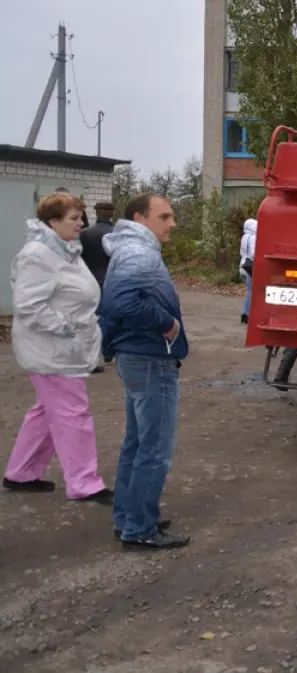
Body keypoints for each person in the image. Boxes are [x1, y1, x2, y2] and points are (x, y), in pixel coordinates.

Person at [4, 192, 113, 504]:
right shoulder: (38, 254)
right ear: (52, 221)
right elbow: (28, 306)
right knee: (72, 414)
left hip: (62, 349)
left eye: (81, 217)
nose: (81, 223)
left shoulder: (65, 250)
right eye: (73, 218)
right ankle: (84, 482)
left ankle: (21, 472)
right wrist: (67, 328)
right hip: (51, 351)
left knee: (45, 412)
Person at [100, 193, 190, 550]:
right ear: (140, 218)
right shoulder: (140, 252)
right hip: (150, 358)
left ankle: (128, 517)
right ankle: (139, 528)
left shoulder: (129, 249)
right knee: (154, 448)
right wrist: (165, 321)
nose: (172, 223)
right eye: (164, 216)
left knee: (136, 443)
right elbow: (119, 303)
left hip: (137, 356)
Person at [80, 201, 117, 372]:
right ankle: (107, 351)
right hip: (110, 280)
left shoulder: (84, 234)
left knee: (89, 318)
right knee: (108, 317)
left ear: (95, 212)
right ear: (111, 213)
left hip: (88, 280)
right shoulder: (116, 233)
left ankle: (89, 355)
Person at [239, 217, 257, 324]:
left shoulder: (244, 237)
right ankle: (247, 314)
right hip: (250, 266)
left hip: (242, 265)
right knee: (252, 291)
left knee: (249, 291)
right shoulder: (253, 238)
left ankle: (246, 313)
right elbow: (253, 253)